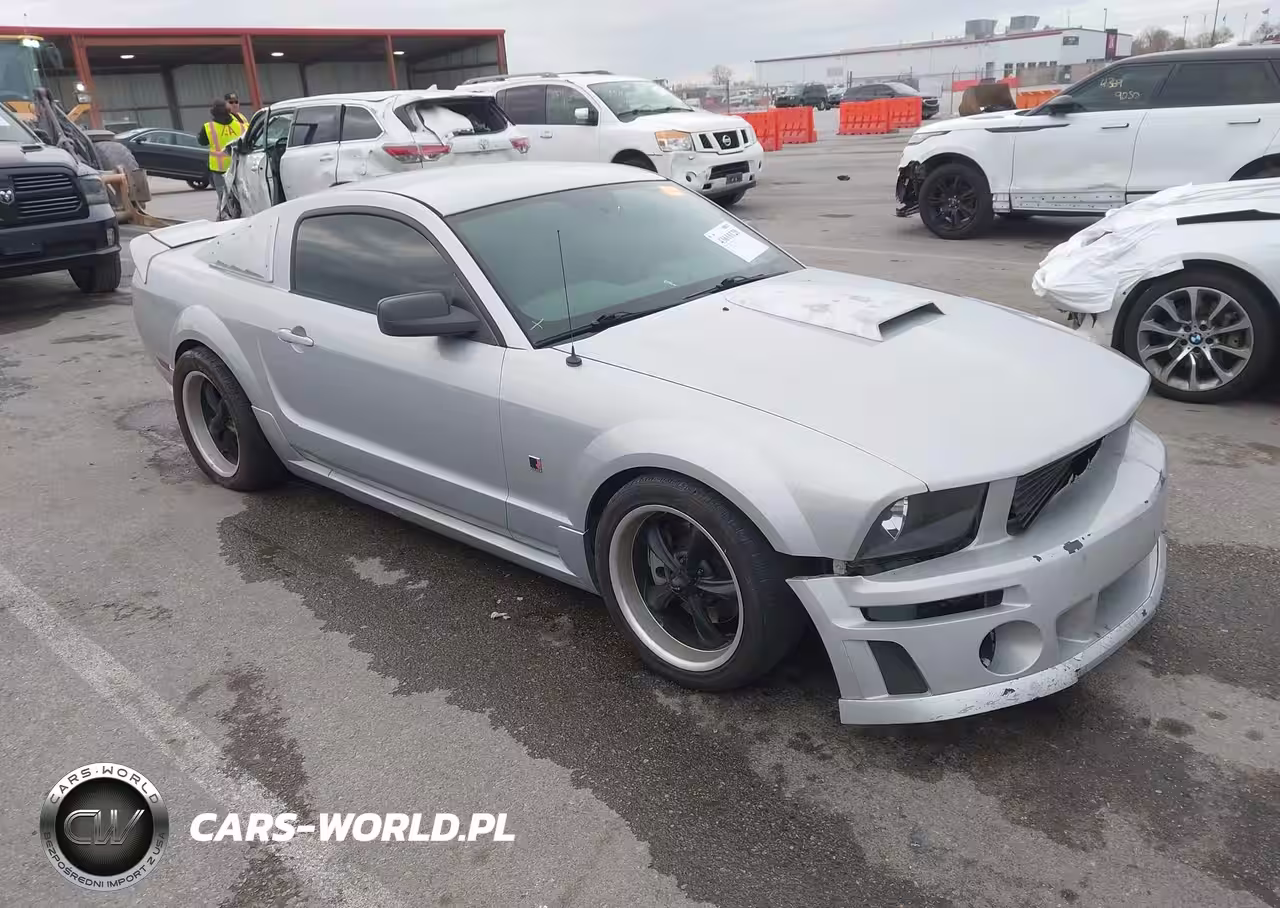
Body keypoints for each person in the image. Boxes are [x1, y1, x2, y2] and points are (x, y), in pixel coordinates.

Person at [197, 99, 244, 208]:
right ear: (228, 111)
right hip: (238, 166)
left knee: (223, 196)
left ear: (213, 112)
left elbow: (202, 142)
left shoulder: (208, 127)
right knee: (240, 194)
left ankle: (226, 216)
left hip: (219, 168)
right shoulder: (240, 125)